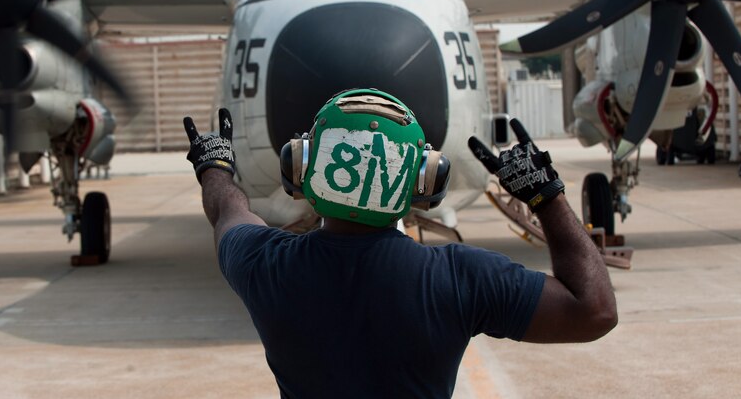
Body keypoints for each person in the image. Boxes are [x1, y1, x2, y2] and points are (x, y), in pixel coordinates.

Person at [183, 88, 617, 398]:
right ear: (423, 180)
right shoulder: (461, 277)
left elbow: (227, 211)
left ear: (302, 167)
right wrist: (546, 195)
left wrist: (215, 164)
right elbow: (594, 311)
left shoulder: (265, 265)